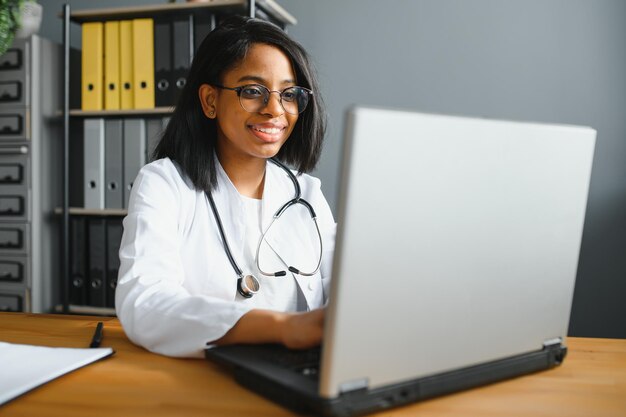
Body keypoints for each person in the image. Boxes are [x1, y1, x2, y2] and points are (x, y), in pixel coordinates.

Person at [115, 16, 336, 358]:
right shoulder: (164, 184)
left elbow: (348, 293)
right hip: (203, 381)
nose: (275, 109)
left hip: (300, 378)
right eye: (252, 91)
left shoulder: (306, 194)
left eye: (289, 94)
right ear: (210, 101)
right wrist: (283, 328)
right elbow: (144, 303)